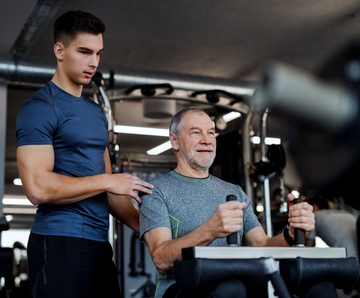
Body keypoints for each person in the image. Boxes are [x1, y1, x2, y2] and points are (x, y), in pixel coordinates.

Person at [16, 10, 153, 298]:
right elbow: (37, 188)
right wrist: (107, 181)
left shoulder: (95, 112)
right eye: (84, 51)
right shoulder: (40, 108)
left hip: (98, 243)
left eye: (98, 53)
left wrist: (153, 232)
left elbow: (111, 188)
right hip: (57, 241)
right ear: (59, 50)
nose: (93, 62)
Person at [139, 107, 318, 298]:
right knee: (231, 289)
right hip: (182, 287)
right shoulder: (155, 190)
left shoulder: (234, 192)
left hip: (235, 283)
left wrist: (290, 234)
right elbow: (161, 258)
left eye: (211, 133)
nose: (206, 140)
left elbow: (261, 245)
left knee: (318, 288)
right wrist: (210, 230)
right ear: (174, 141)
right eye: (196, 133)